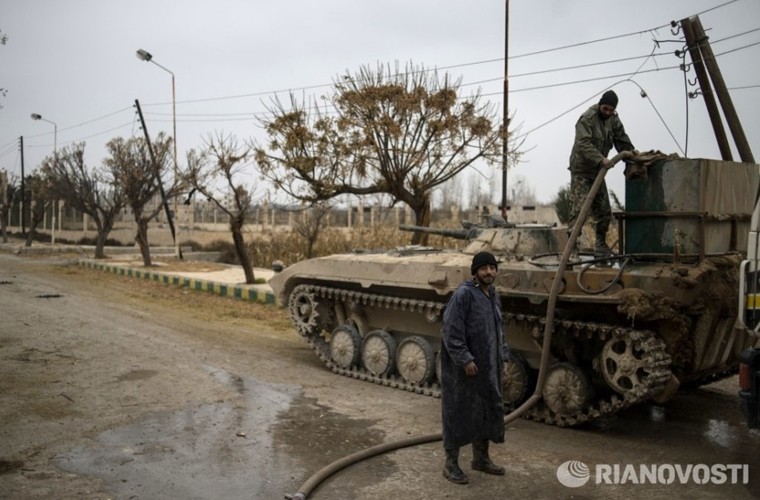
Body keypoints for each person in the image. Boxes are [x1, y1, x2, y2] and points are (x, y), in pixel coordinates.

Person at [440, 251, 507, 484]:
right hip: (465, 369)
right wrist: (465, 359)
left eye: (492, 267)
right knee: (458, 412)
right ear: (475, 272)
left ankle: (480, 459)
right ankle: (450, 464)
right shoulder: (464, 295)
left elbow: (498, 329)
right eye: (484, 268)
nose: (489, 272)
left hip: (488, 366)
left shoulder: (493, 294)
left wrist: (502, 356)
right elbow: (451, 331)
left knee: (485, 409)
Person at [567, 89, 636, 256]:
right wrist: (601, 159)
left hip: (598, 172)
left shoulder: (613, 119)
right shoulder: (587, 119)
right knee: (580, 211)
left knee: (604, 210)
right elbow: (583, 144)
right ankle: (572, 248)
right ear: (600, 105)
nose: (608, 113)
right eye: (605, 109)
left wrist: (632, 153)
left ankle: (600, 244)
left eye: (611, 110)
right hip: (582, 170)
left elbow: (621, 138)